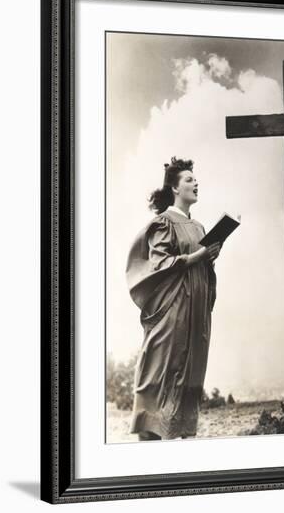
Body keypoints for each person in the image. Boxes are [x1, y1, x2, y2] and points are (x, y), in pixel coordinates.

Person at [125, 156, 221, 441]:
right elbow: (159, 264)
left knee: (189, 372)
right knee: (161, 370)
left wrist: (209, 258)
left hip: (195, 312)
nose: (196, 183)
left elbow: (200, 266)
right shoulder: (164, 223)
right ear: (175, 189)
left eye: (195, 179)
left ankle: (176, 439)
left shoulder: (199, 227)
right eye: (189, 180)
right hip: (172, 311)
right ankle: (149, 439)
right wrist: (197, 256)